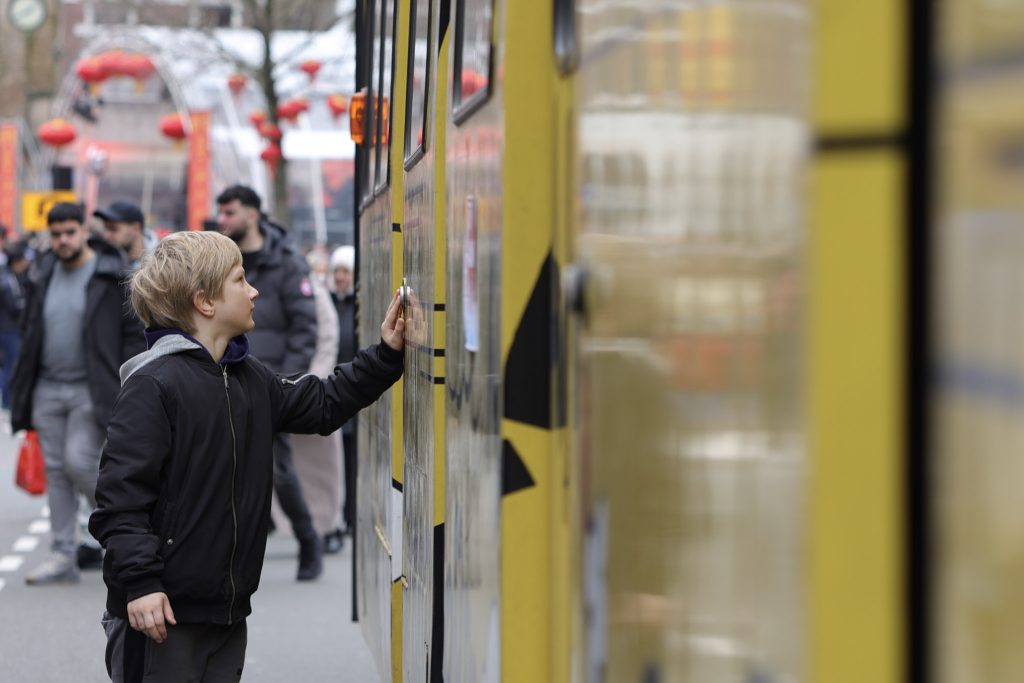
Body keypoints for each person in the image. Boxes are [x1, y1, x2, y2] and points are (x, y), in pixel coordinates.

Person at [88, 231, 405, 682]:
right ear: (205, 302)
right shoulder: (153, 386)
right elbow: (120, 502)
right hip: (159, 614)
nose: (253, 291)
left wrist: (386, 356)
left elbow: (321, 403)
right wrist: (141, 585)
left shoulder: (246, 376)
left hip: (226, 610)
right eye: (240, 280)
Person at [9, 202, 145, 584]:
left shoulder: (111, 274)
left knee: (79, 461)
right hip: (47, 387)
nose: (63, 241)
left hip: (92, 387)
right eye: (55, 234)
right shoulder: (43, 272)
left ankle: (122, 531)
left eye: (69, 232)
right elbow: (31, 329)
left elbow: (133, 335)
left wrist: (125, 379)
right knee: (56, 471)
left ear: (85, 231)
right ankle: (62, 555)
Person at [214, 185, 323, 579]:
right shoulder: (218, 259)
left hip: (270, 380)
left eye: (229, 212)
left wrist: (285, 382)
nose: (222, 220)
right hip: (223, 375)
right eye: (220, 213)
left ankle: (308, 539)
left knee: (278, 469)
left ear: (253, 214)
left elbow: (304, 327)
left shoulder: (287, 262)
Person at [276, 249, 345, 553]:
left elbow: (327, 341)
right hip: (292, 389)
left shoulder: (313, 293)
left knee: (321, 469)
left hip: (308, 392)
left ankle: (328, 524)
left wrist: (311, 386)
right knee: (292, 468)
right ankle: (304, 527)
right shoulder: (293, 290)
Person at [330, 245, 358, 541]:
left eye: (345, 272)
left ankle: (350, 514)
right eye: (337, 272)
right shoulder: (326, 304)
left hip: (353, 390)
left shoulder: (357, 306)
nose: (340, 278)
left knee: (351, 460)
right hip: (331, 388)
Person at [0, 239, 28, 415]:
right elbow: (14, 306)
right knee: (11, 365)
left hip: (7, 328)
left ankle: (7, 399)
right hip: (9, 329)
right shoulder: (7, 281)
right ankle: (7, 400)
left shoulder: (9, 278)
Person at [94, 200, 156, 268]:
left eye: (114, 229)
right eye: (106, 228)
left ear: (136, 228)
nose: (106, 235)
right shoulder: (103, 257)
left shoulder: (159, 264)